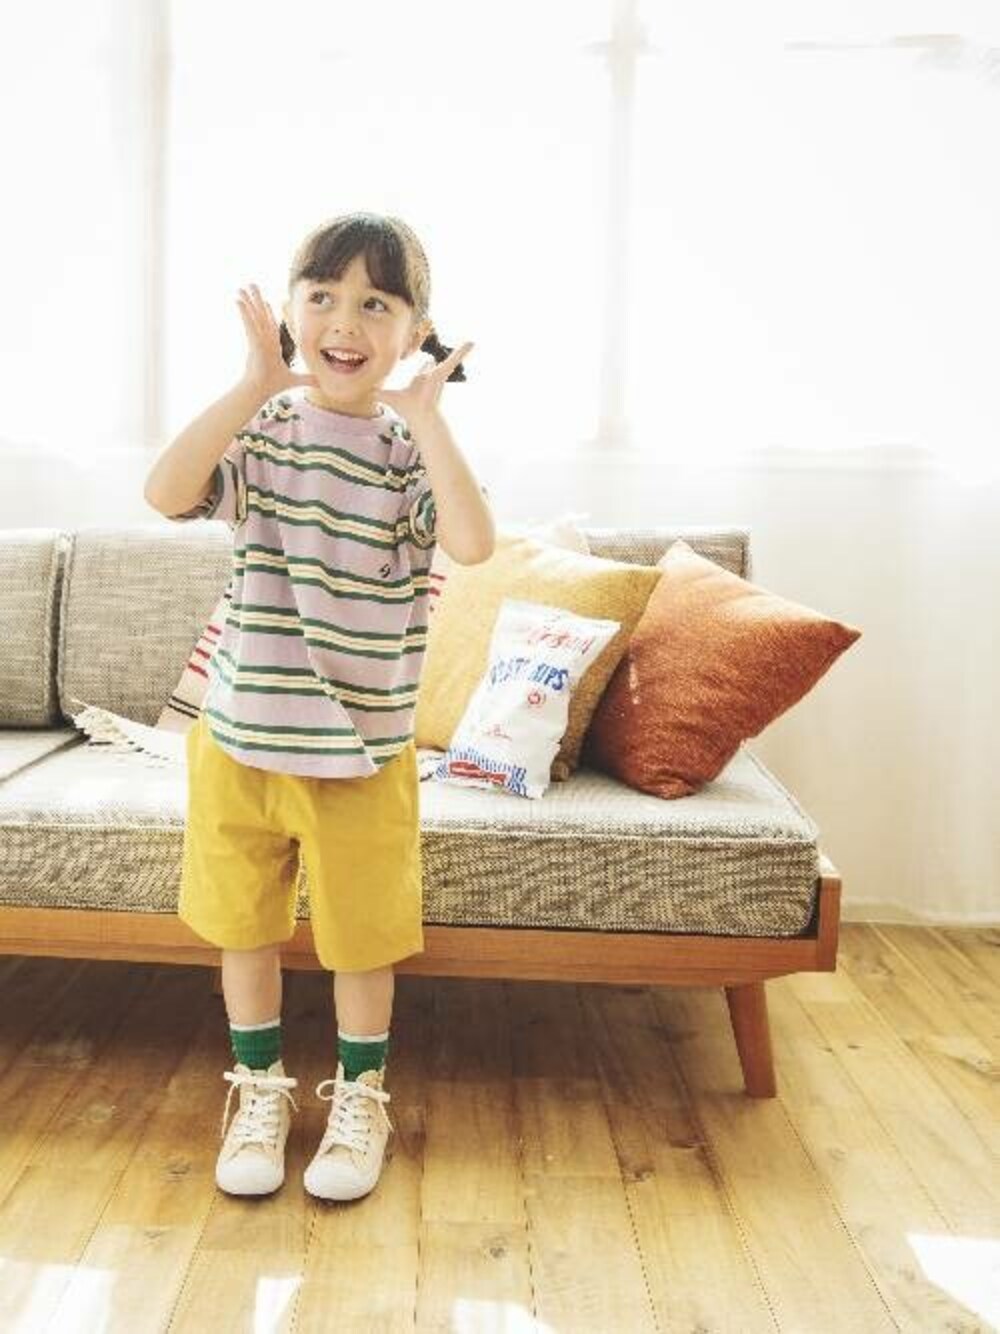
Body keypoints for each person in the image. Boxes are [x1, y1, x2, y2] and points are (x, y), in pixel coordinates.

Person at [143, 211, 495, 1201]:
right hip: (240, 743)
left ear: (414, 329)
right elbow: (166, 492)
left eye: (377, 304)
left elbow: (472, 544)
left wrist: (430, 420)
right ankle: (258, 1089)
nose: (346, 320)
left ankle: (359, 1097)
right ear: (293, 312)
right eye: (325, 296)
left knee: (363, 938)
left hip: (362, 755)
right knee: (245, 929)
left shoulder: (408, 450)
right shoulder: (265, 430)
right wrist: (252, 384)